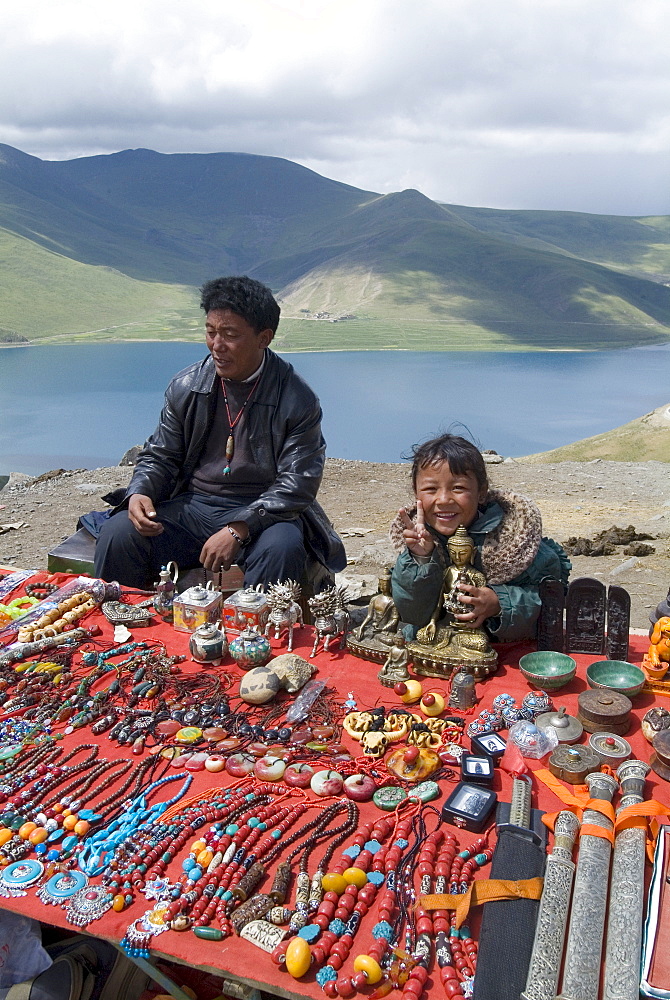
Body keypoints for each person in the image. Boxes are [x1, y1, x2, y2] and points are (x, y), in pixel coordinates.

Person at [94, 276, 346, 590]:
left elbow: (298, 484)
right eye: (211, 332)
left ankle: (258, 636)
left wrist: (239, 528)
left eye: (229, 334)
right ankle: (122, 627)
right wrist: (141, 490)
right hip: (193, 507)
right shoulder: (187, 386)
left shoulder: (296, 399)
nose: (217, 345)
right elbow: (161, 455)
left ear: (263, 338)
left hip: (264, 512)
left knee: (281, 547)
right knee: (119, 532)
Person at [390, 434, 570, 643]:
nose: (444, 499)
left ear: (481, 491)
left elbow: (551, 601)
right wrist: (421, 559)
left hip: (500, 649)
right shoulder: (415, 542)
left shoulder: (516, 541)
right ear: (416, 493)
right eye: (431, 489)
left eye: (458, 488)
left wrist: (499, 603)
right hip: (433, 644)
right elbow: (412, 613)